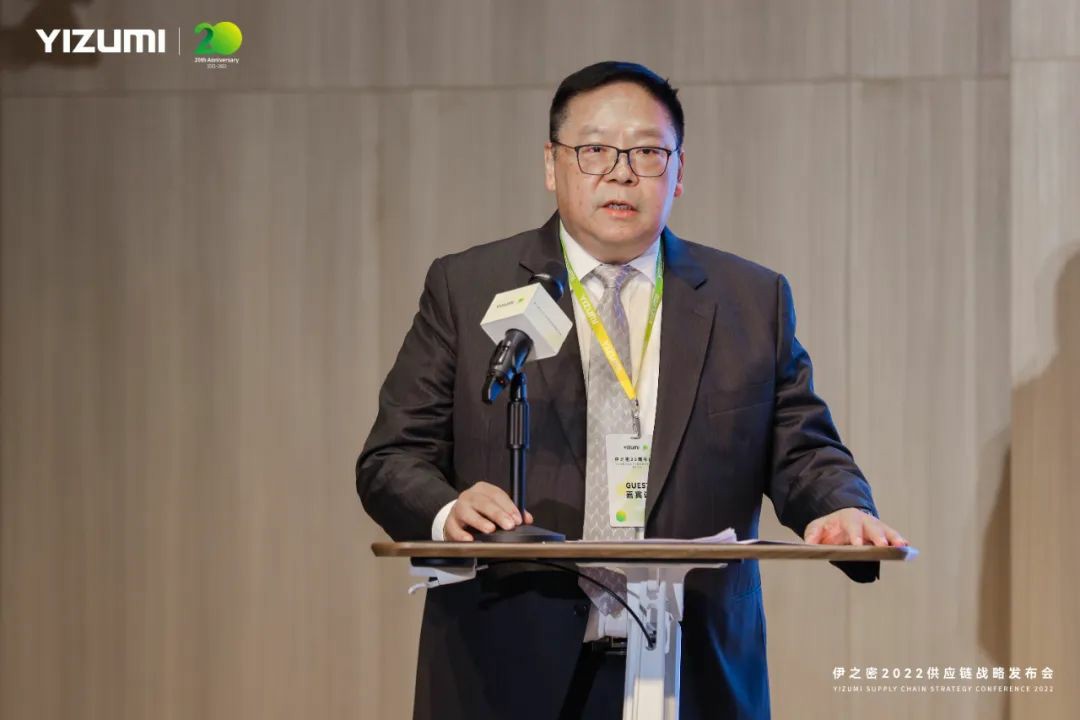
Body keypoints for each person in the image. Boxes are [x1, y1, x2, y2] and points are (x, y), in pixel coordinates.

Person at [356, 60, 908, 720]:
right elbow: (392, 459)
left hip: (692, 672)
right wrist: (449, 511)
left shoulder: (748, 300)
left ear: (679, 171)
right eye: (595, 150)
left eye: (647, 152)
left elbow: (804, 449)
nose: (621, 173)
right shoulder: (469, 287)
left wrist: (839, 507)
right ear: (552, 164)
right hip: (504, 671)